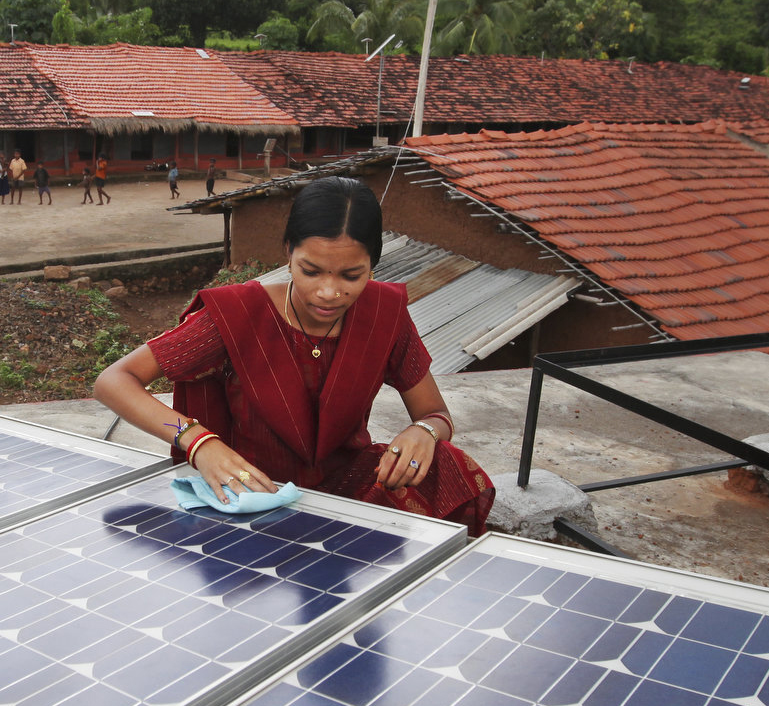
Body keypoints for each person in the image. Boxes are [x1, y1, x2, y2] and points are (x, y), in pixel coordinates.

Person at [95, 177, 493, 534]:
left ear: (374, 262)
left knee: (448, 465)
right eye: (311, 271)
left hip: (344, 482)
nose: (329, 292)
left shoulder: (384, 315)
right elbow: (114, 381)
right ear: (288, 253)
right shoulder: (236, 316)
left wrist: (423, 432)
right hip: (251, 487)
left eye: (351, 276)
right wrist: (199, 444)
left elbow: (435, 414)